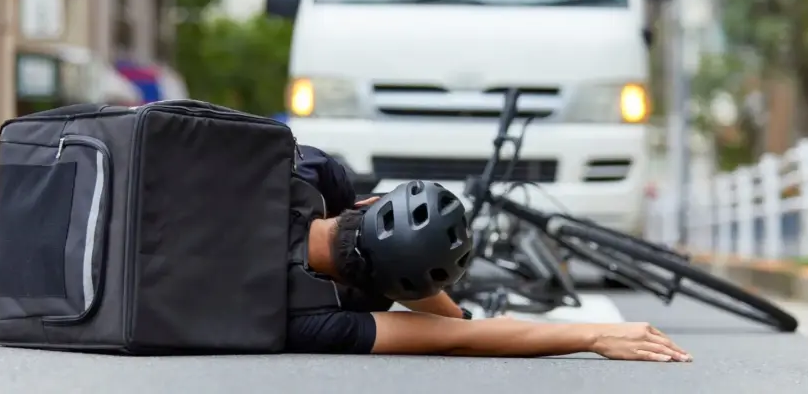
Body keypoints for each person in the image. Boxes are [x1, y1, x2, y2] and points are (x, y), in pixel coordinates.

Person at [289, 145, 693, 362]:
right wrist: (596, 336)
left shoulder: (306, 173)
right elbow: (456, 339)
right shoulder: (311, 321)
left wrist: (459, 319)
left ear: (367, 203)